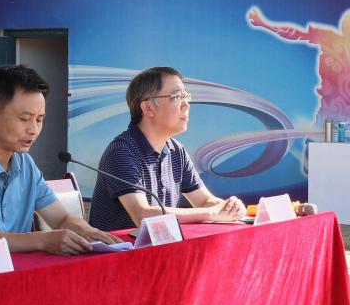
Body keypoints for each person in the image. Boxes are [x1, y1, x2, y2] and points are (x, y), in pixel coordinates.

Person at [0, 64, 121, 260]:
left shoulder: (26, 164)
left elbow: (61, 219)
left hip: (11, 273)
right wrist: (42, 240)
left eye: (39, 119)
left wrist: (88, 231)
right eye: (25, 119)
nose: (33, 130)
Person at [87, 66, 246, 232]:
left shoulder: (176, 150)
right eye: (177, 97)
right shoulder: (121, 152)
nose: (186, 105)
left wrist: (229, 207)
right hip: (123, 247)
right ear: (148, 108)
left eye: (186, 96)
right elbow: (142, 215)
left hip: (162, 245)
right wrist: (212, 213)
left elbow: (204, 201)